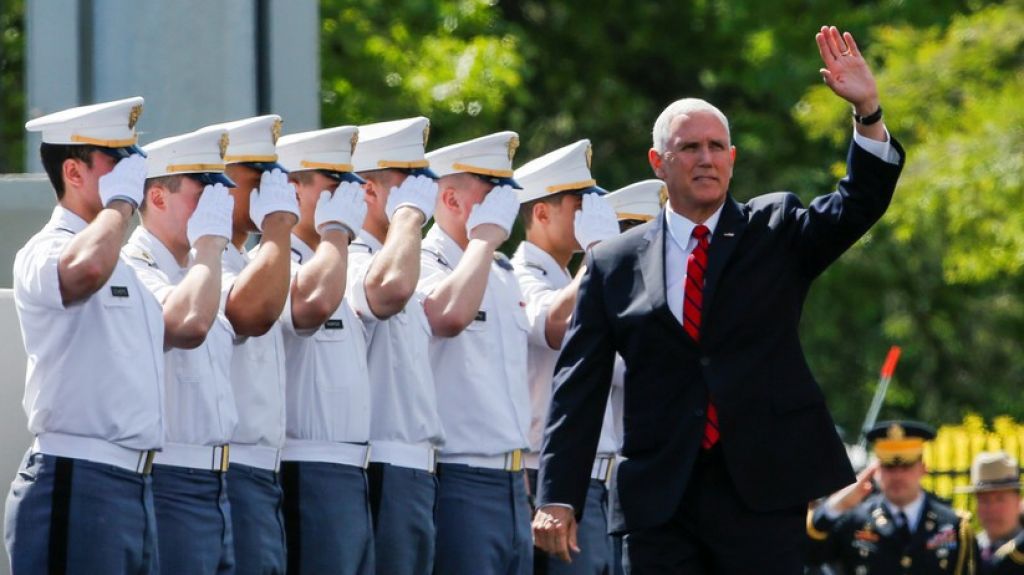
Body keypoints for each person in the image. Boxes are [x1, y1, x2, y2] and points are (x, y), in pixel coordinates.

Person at [532, 26, 905, 573]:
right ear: (658, 162)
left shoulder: (775, 228)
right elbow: (578, 386)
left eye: (715, 147)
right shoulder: (614, 262)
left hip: (762, 490)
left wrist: (867, 111)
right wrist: (558, 496)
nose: (705, 159)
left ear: (732, 157)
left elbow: (859, 202)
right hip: (662, 500)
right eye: (689, 148)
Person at [6, 97, 163, 574]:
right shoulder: (45, 249)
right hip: (77, 478)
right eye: (116, 163)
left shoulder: (127, 267)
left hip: (133, 484)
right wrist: (120, 204)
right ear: (73, 172)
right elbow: (84, 269)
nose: (132, 176)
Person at [124, 125, 238, 574]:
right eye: (203, 193)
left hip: (218, 481)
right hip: (169, 476)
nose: (216, 208)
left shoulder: (202, 268)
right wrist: (210, 244)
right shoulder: (133, 266)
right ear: (157, 197)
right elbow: (187, 323)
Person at [418, 132, 532, 575]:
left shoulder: (501, 273)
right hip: (458, 476)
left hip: (512, 480)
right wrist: (483, 240)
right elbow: (446, 316)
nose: (504, 207)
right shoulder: (426, 262)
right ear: (450, 199)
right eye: (491, 192)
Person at [511, 139, 621, 574]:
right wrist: (597, 255)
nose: (592, 216)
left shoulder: (569, 277)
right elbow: (555, 325)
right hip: (549, 475)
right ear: (541, 213)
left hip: (600, 475)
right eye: (580, 205)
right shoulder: (519, 273)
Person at [275, 125, 374, 575]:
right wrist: (335, 232)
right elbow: (311, 303)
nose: (347, 198)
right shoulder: (282, 266)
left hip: (351, 469)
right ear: (293, 190)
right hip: (307, 467)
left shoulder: (336, 262)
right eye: (333, 186)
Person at [348, 116, 444, 575]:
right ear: (369, 190)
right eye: (409, 184)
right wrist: (408, 216)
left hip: (416, 466)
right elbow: (388, 289)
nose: (422, 197)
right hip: (383, 463)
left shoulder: (402, 260)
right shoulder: (356, 258)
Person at [206, 114, 298, 575]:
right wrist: (278, 227)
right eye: (257, 180)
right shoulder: (208, 260)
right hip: (232, 466)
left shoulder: (248, 259)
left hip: (265, 468)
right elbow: (250, 314)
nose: (270, 191)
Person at [806, 421, 976, 574]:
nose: (897, 476)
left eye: (907, 466)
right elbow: (810, 554)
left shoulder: (953, 525)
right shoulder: (854, 520)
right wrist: (838, 505)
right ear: (876, 469)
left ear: (923, 468)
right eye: (889, 466)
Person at [958, 452, 1023, 573]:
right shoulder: (967, 552)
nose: (992, 508)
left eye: (1000, 499)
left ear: (1018, 501)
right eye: (984, 500)